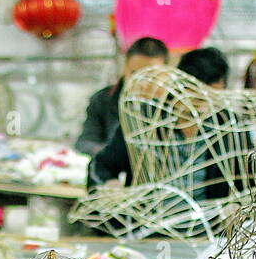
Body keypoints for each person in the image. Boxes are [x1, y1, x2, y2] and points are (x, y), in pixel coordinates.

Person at [87, 46, 239, 195]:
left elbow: (245, 182)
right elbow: (101, 166)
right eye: (196, 96)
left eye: (213, 97)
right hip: (150, 217)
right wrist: (109, 186)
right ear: (180, 85)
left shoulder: (228, 125)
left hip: (209, 217)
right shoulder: (144, 119)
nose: (204, 105)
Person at [74, 37, 169, 156]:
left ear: (165, 74)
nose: (142, 83)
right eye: (134, 73)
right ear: (125, 69)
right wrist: (113, 156)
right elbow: (85, 142)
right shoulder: (104, 99)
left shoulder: (174, 104)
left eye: (150, 76)